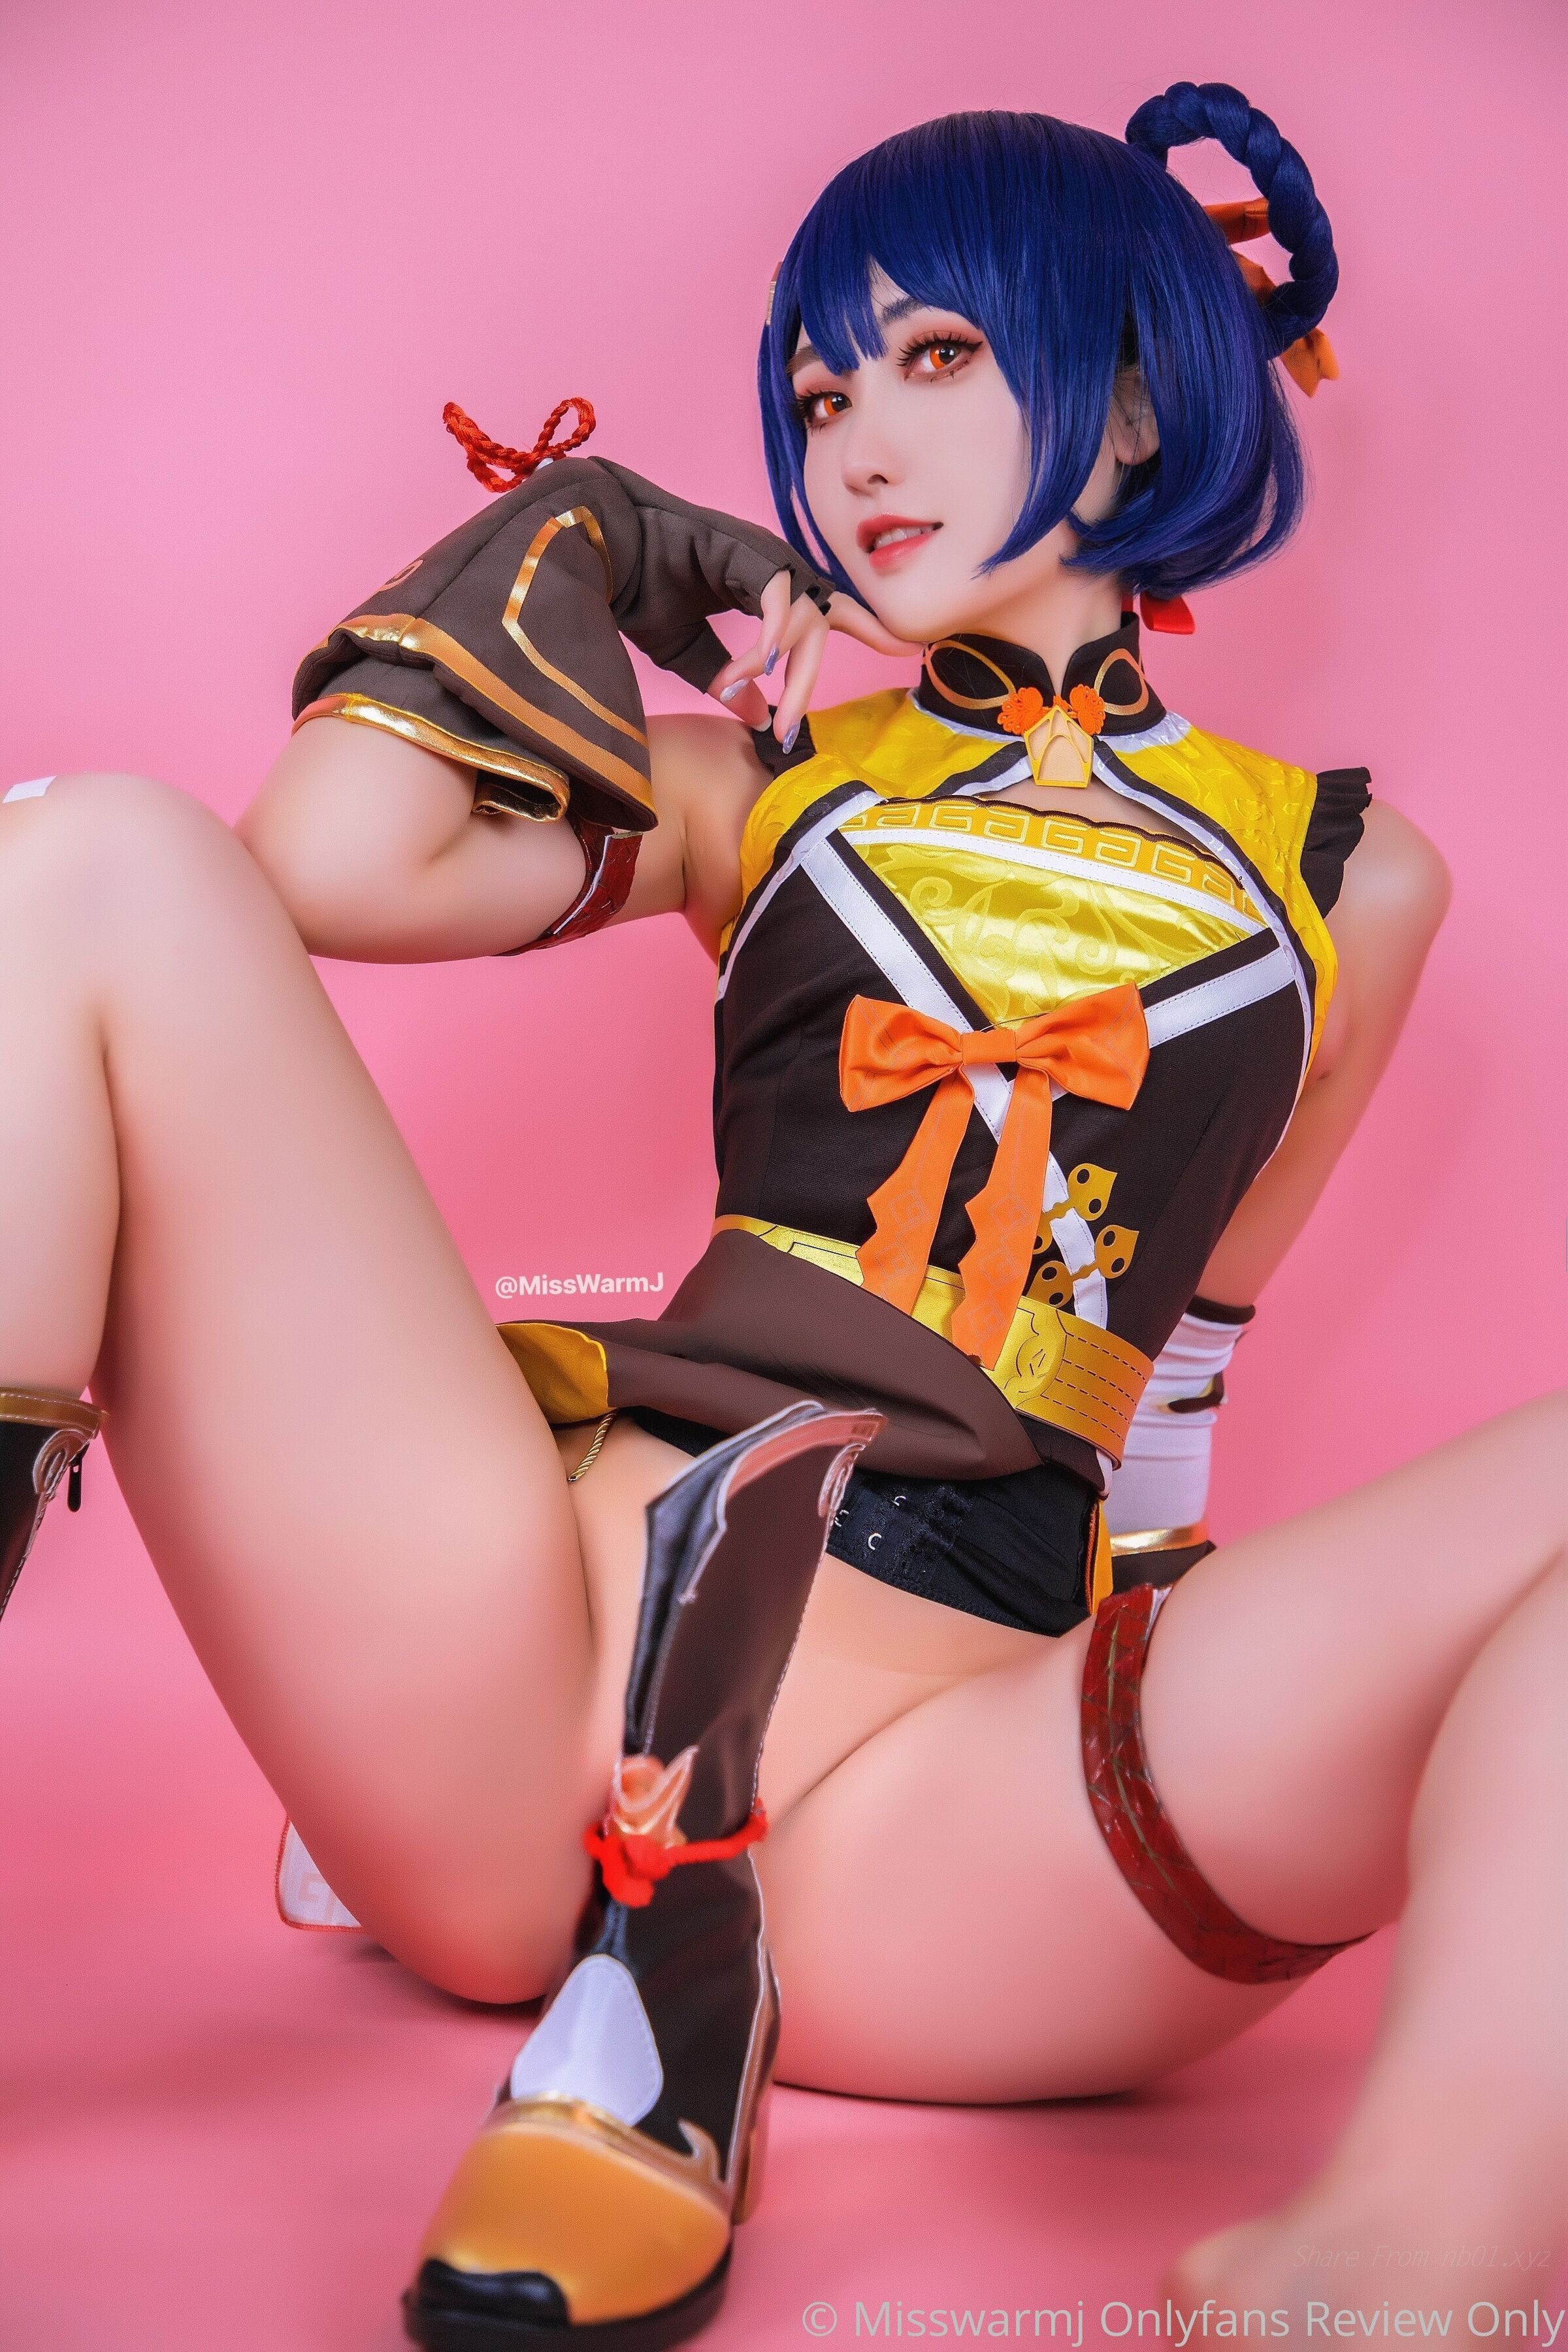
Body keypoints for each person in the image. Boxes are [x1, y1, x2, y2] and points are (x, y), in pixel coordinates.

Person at [1, 79, 1547, 2352]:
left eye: (937, 359)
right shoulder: (769, 784)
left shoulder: (1354, 876)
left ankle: (1399, 2263)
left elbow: (1185, 1359)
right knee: (89, 857)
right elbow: (313, 863)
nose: (857, 449)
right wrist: (600, 538)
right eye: (823, 397)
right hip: (530, 1652)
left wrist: (1243, 1682)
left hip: (951, 1786)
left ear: (1135, 398)